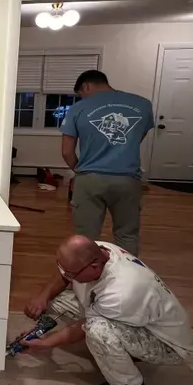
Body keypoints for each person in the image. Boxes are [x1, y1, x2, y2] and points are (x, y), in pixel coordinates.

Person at [22, 235, 193, 385]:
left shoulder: (122, 291)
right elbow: (64, 276)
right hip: (135, 316)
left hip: (166, 342)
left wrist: (45, 344)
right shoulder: (99, 249)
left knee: (98, 331)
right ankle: (124, 354)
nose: (66, 276)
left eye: (71, 274)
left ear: (94, 266)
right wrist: (42, 298)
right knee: (56, 300)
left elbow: (83, 327)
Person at [61, 70, 154, 256]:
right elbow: (137, 138)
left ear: (86, 86)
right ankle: (127, 280)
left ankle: (87, 282)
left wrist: (80, 170)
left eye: (81, 94)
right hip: (128, 179)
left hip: (90, 180)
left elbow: (66, 151)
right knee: (127, 235)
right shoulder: (143, 104)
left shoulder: (78, 108)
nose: (82, 98)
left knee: (86, 238)